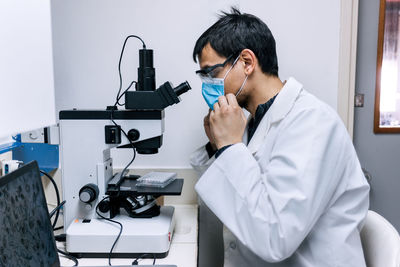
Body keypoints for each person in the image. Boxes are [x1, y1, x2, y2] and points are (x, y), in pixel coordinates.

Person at [190, 7, 370, 267]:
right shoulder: (253, 122)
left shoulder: (312, 122)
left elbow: (275, 238)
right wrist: (218, 145)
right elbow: (231, 202)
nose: (207, 84)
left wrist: (230, 147)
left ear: (247, 62)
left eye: (211, 73)